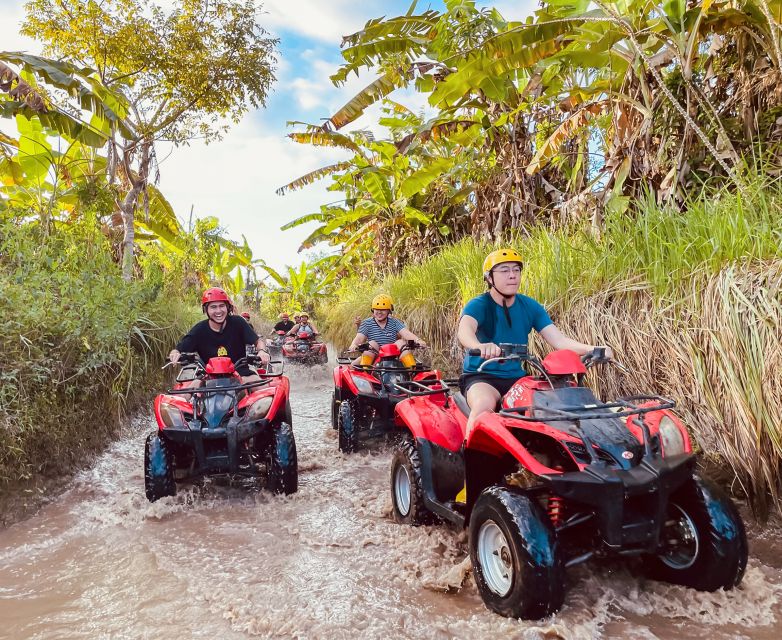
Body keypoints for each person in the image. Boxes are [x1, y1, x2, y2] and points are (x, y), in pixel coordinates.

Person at [457, 248, 613, 436]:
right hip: (482, 377)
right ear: (489, 278)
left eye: (516, 270)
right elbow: (465, 331)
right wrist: (479, 346)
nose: (512, 275)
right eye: (504, 270)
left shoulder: (530, 306)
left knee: (556, 409)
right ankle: (469, 451)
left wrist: (594, 349)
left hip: (517, 378)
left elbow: (559, 340)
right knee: (484, 406)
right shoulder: (479, 304)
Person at [169, 288, 269, 384]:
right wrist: (175, 353)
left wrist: (262, 351)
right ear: (206, 310)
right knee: (188, 390)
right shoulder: (199, 329)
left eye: (222, 306)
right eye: (213, 307)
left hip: (241, 372)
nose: (218, 311)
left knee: (263, 389)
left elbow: (258, 341)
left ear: (227, 307)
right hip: (208, 376)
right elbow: (178, 349)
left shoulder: (238, 322)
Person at [348, 294, 426, 362]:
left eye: (383, 310)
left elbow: (406, 333)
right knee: (372, 344)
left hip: (392, 357)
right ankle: (364, 370)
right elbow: (359, 338)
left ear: (389, 311)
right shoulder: (367, 323)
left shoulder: (394, 322)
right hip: (374, 356)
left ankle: (410, 370)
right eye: (377, 309)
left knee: (401, 342)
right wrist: (354, 344)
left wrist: (418, 340)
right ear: (373, 310)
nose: (379, 312)